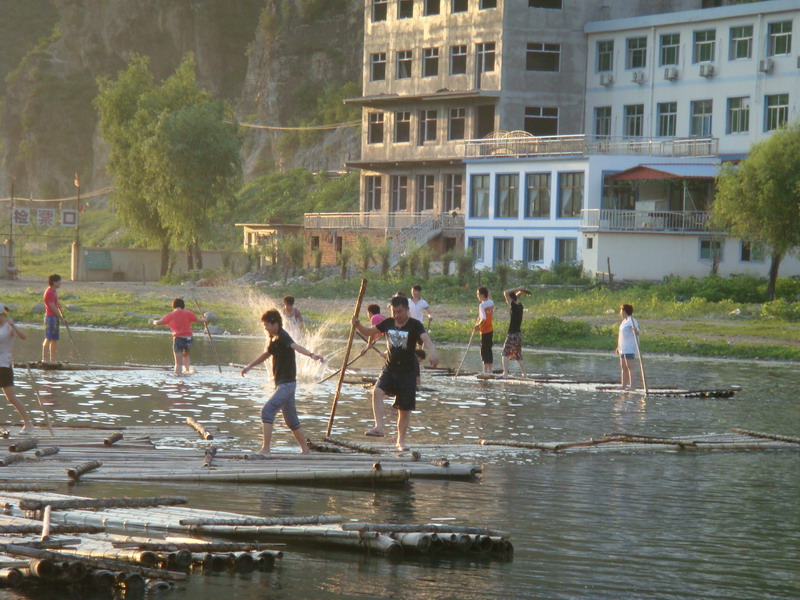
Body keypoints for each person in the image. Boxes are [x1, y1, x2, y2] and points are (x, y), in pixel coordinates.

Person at [352, 295, 438, 452]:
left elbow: (427, 340)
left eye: (399, 312)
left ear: (406, 310)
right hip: (390, 368)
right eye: (393, 312)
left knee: (403, 410)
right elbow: (369, 331)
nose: (396, 315)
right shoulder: (388, 323)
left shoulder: (415, 325)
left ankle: (401, 441)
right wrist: (357, 325)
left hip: (407, 372)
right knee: (377, 391)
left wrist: (432, 353)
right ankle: (379, 427)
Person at [241, 309, 323, 455]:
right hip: (284, 384)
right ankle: (305, 450)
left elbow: (295, 346)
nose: (264, 327)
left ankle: (266, 449)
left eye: (266, 324)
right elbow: (266, 354)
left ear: (275, 323)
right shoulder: (273, 339)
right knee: (291, 420)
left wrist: (311, 355)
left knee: (267, 411)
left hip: (287, 385)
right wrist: (249, 366)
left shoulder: (283, 336)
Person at [0, 306, 35, 434]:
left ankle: (28, 423)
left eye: (0, 315)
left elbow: (23, 336)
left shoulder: (8, 327)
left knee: (11, 397)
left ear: (4, 315)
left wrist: (13, 325)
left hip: (4, 365)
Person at [151, 298, 208, 376]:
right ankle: (187, 371)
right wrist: (205, 319)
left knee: (178, 362)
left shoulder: (170, 315)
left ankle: (178, 376)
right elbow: (201, 320)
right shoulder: (189, 313)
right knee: (185, 356)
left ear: (173, 306)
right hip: (189, 339)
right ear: (183, 306)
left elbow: (158, 322)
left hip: (179, 339)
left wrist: (152, 321)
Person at [500, 286, 530, 378]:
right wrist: (521, 291)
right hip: (518, 334)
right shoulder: (520, 306)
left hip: (512, 334)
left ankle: (505, 373)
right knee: (518, 355)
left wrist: (518, 288)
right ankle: (524, 374)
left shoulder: (513, 306)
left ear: (511, 299)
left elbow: (505, 292)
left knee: (505, 352)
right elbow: (515, 297)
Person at [615, 303, 640, 390]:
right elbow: (621, 335)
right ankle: (624, 385)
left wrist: (636, 330)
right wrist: (618, 347)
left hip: (629, 348)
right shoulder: (624, 321)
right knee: (623, 367)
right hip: (623, 348)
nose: (620, 312)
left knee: (630, 367)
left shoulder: (631, 320)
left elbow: (637, 331)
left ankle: (632, 386)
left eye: (621, 310)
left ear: (624, 311)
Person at [42, 274, 62, 362]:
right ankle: (44, 359)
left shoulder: (54, 292)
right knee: (48, 338)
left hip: (55, 318)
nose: (60, 283)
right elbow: (52, 306)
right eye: (59, 281)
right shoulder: (49, 292)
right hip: (50, 318)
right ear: (54, 282)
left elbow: (57, 306)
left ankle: (52, 359)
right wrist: (60, 317)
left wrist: (61, 317)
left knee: (55, 339)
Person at [475, 286, 495, 374]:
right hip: (490, 329)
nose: (478, 296)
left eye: (478, 294)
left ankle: (485, 370)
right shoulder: (491, 302)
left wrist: (477, 326)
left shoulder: (482, 305)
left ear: (483, 295)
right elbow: (481, 316)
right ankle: (489, 370)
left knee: (483, 350)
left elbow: (483, 319)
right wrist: (477, 321)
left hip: (484, 330)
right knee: (489, 349)